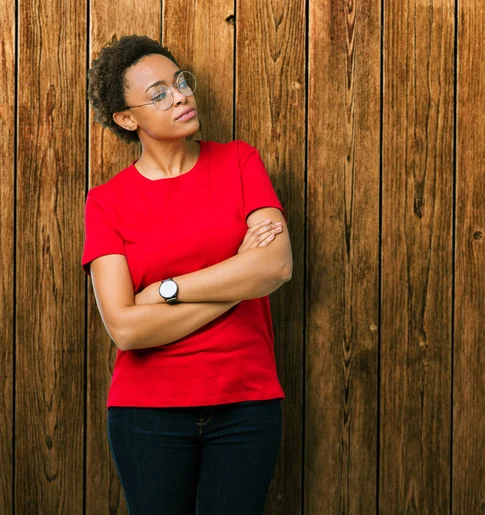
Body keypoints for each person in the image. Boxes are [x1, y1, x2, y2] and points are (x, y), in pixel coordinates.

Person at [82, 34, 292, 515]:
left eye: (181, 82)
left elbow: (276, 264)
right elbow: (127, 329)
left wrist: (167, 291)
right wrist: (241, 280)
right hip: (147, 413)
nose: (180, 96)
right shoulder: (107, 203)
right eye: (158, 93)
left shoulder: (240, 161)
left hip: (246, 402)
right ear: (127, 119)